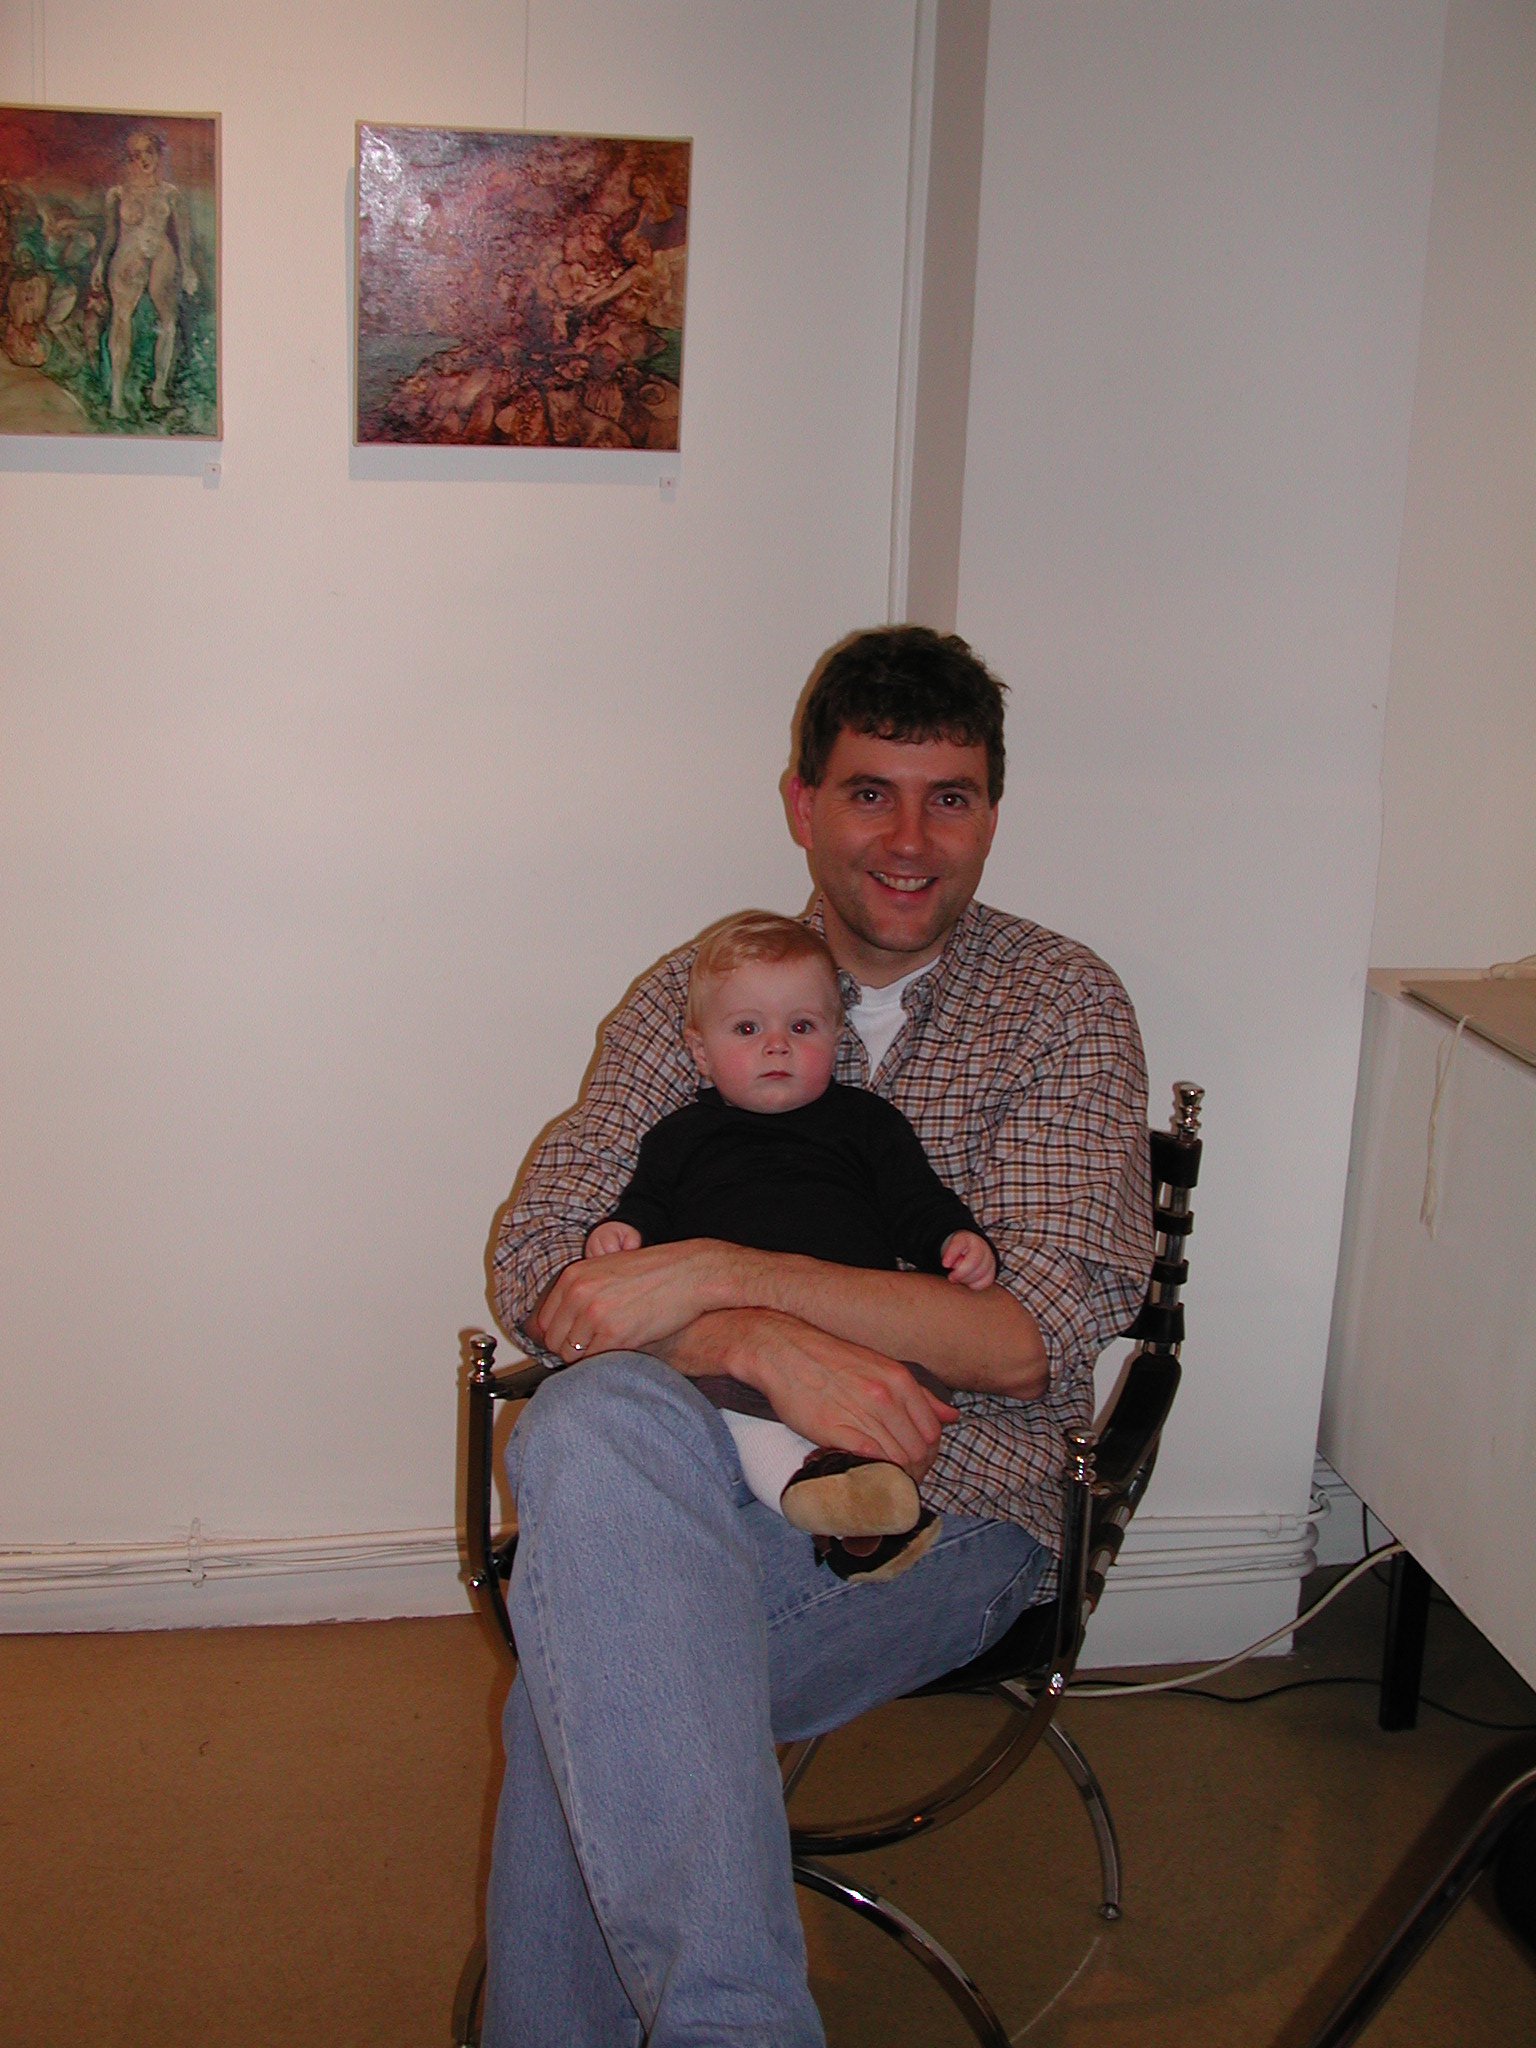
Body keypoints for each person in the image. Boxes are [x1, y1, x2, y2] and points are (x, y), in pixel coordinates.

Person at [485, 625, 1152, 2046]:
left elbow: (1024, 1339)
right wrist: (747, 1336)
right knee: (595, 1418)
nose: (909, 841)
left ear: (992, 811)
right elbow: (543, 1263)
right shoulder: (700, 992)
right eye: (868, 793)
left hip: (941, 1499)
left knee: (583, 1669)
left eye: (949, 797)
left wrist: (731, 1275)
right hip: (677, 1454)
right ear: (801, 803)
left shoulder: (1062, 1005)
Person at [585, 908, 999, 1580]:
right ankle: (831, 1509)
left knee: (893, 1406)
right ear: (700, 1051)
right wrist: (623, 1234)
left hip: (855, 1334)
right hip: (730, 1349)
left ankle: (862, 1497)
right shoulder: (679, 1137)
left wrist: (954, 1240)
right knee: (740, 1415)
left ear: (836, 1036)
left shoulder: (867, 1124)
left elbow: (915, 1202)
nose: (776, 1046)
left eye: (801, 1027)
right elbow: (647, 1208)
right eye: (748, 1029)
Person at [89, 129, 198, 419]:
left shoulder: (170, 194)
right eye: (136, 155)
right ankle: (116, 397)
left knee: (168, 321)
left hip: (162, 254)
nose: (144, 160)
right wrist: (100, 264)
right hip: (128, 258)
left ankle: (158, 388)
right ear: (129, 160)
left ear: (158, 154)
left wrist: (187, 267)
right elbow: (110, 235)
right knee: (121, 320)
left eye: (149, 151)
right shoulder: (117, 194)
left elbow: (182, 235)